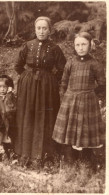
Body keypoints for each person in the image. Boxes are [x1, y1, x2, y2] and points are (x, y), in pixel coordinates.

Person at [14, 16, 66, 167]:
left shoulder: (55, 49)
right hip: (28, 88)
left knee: (46, 116)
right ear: (35, 29)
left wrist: (50, 79)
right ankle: (25, 154)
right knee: (28, 116)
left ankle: (46, 154)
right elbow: (18, 65)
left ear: (50, 30)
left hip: (47, 88)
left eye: (44, 28)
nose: (41, 31)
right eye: (39, 28)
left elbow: (63, 69)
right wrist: (26, 78)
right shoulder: (27, 45)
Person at [52, 32, 106, 169]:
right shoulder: (70, 62)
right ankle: (69, 161)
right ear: (74, 46)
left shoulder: (95, 64)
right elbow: (64, 82)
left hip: (88, 101)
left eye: (84, 44)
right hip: (70, 100)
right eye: (77, 45)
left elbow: (103, 84)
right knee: (69, 130)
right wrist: (64, 97)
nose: (80, 47)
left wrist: (92, 95)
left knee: (85, 130)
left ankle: (86, 162)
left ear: (90, 45)